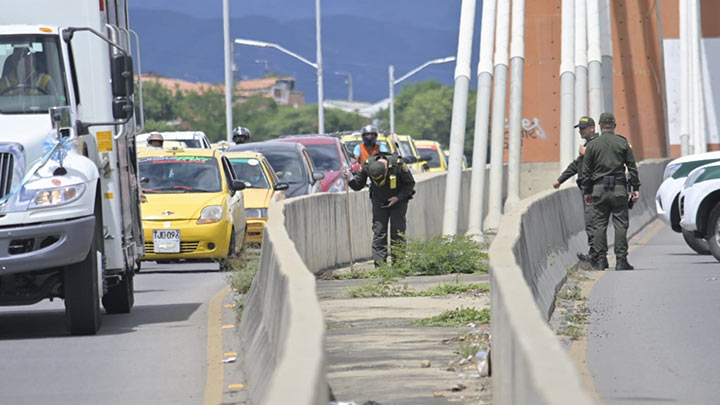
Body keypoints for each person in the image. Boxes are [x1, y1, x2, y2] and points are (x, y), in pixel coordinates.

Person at [580, 113, 640, 271]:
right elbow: (632, 168)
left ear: (599, 125)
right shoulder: (622, 143)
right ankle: (621, 260)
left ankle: (601, 260)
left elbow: (586, 171)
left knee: (599, 225)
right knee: (620, 224)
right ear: (614, 125)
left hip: (598, 190)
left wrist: (587, 191)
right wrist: (635, 188)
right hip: (619, 189)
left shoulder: (592, 145)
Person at [346, 152, 415, 268]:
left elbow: (410, 184)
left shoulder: (398, 165)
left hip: (398, 201)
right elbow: (358, 185)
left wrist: (398, 198)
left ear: (386, 169)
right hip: (378, 201)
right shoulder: (367, 166)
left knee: (397, 232)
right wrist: (349, 179)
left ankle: (398, 265)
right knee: (379, 232)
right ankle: (380, 267)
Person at [553, 116, 598, 262]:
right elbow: (576, 166)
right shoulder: (587, 145)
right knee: (591, 221)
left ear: (592, 128)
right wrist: (560, 180)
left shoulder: (597, 144)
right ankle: (597, 254)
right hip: (587, 189)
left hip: (594, 189)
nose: (580, 131)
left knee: (593, 221)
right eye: (579, 128)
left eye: (583, 128)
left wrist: (587, 154)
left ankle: (596, 255)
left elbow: (601, 163)